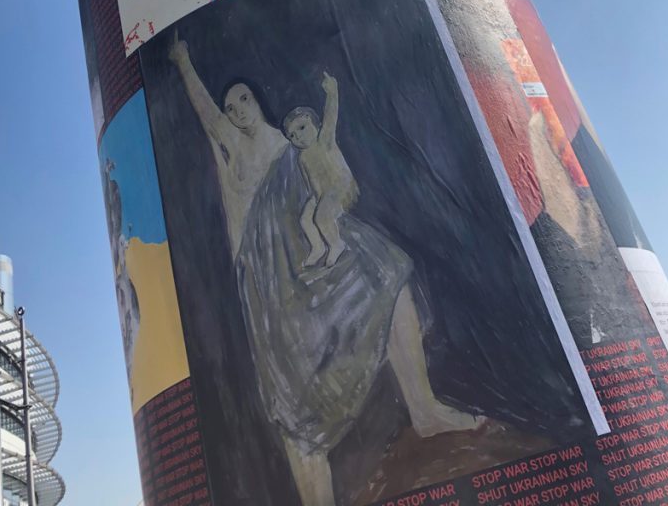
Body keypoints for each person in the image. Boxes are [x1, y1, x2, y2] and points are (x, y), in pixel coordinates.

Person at [169, 33, 479, 506]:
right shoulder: (234, 142)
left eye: (244, 99)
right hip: (277, 276)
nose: (238, 111)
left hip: (317, 247)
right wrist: (183, 62)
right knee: (292, 386)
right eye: (231, 108)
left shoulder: (287, 138)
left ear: (258, 100)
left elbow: (327, 164)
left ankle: (424, 408)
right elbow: (205, 112)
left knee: (390, 275)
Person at [283, 72, 358, 268]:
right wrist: (314, 200)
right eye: (291, 135)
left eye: (301, 128)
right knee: (305, 219)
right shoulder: (302, 157)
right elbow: (310, 182)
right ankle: (318, 247)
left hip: (340, 185)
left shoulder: (324, 139)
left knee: (321, 216)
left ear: (312, 121)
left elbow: (331, 115)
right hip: (321, 193)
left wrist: (332, 92)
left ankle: (336, 244)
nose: (297, 137)